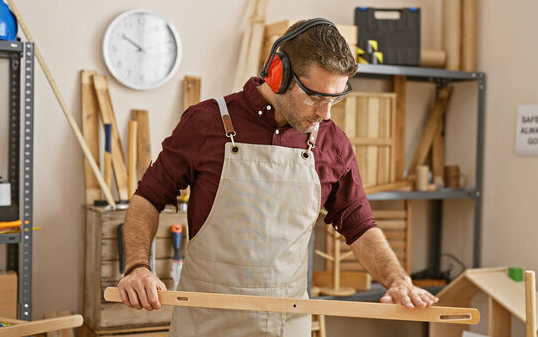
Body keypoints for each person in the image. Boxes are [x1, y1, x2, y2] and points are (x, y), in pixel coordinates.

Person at [117, 18, 438, 337]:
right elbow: (148, 199)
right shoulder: (205, 122)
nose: (325, 113)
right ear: (277, 74)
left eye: (336, 98)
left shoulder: (331, 142)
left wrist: (398, 280)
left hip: (287, 323)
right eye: (315, 97)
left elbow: (359, 224)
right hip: (206, 321)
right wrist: (137, 267)